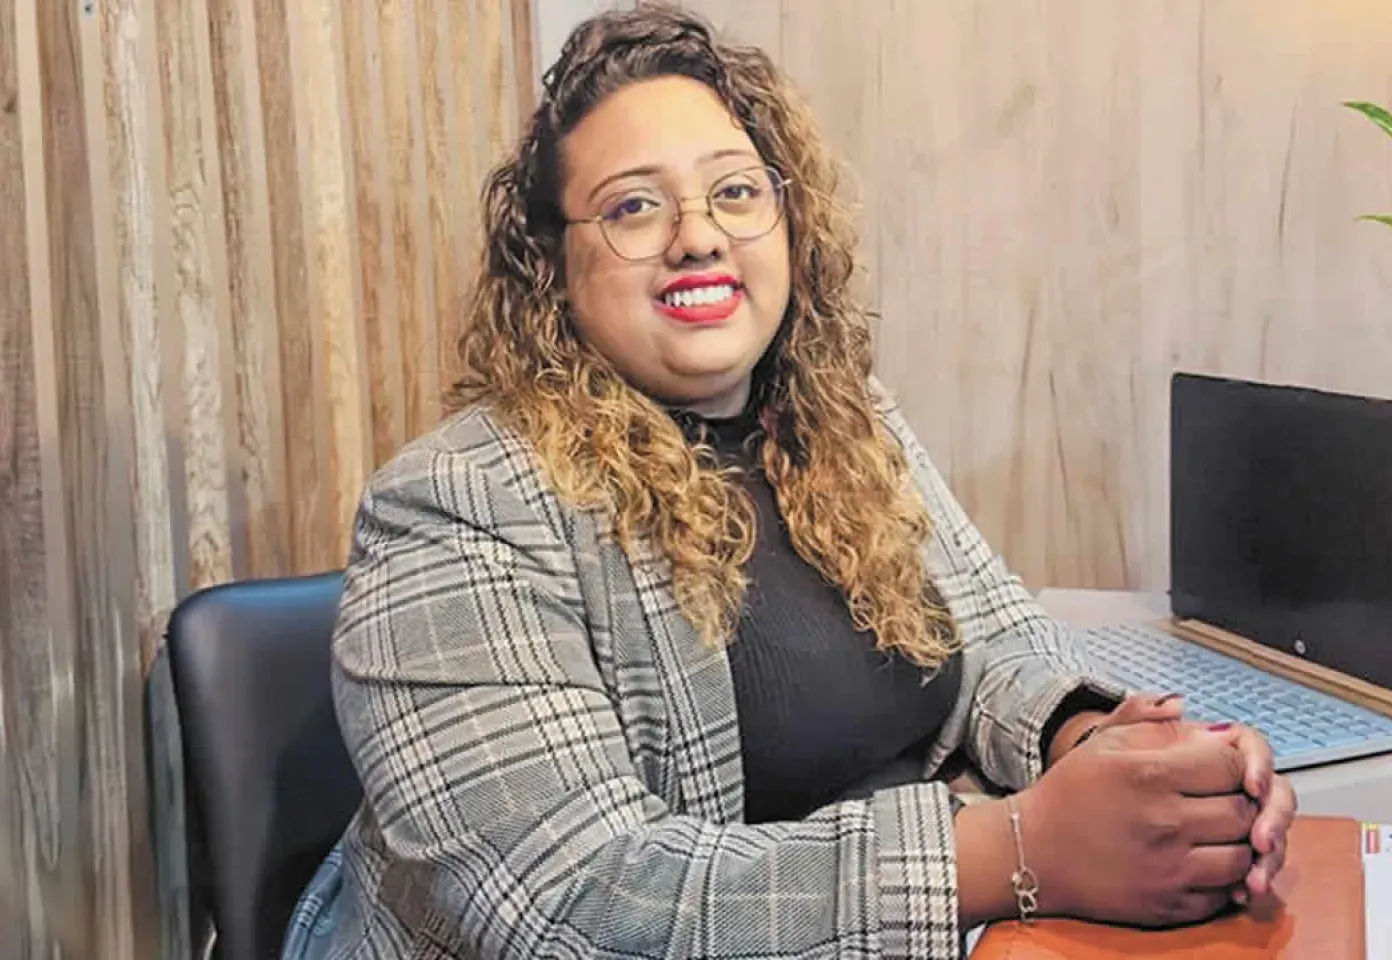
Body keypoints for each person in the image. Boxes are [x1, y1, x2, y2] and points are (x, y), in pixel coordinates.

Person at [280, 5, 1296, 958]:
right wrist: (1013, 851)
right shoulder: (458, 503)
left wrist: (1109, 748)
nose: (697, 235)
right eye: (633, 207)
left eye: (734, 191)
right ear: (551, 265)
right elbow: (570, 900)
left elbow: (990, 641)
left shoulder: (840, 419)